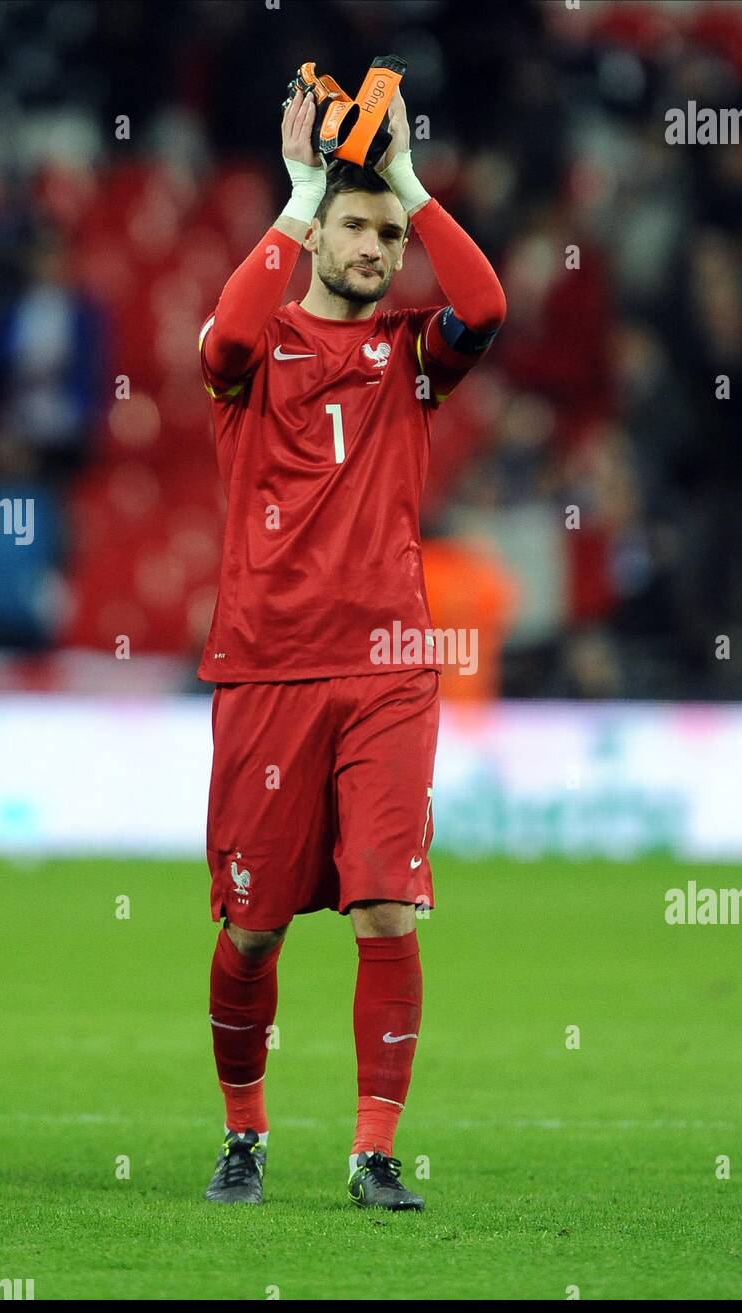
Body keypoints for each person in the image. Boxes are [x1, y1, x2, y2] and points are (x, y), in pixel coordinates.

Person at [197, 85, 506, 1209]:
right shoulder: (250, 343)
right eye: (358, 225)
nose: (377, 248)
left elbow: (489, 303)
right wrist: (297, 195)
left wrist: (415, 187)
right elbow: (228, 334)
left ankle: (374, 1150)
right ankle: (244, 1131)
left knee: (387, 904)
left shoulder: (412, 354)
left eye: (389, 234)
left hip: (387, 666)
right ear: (318, 230)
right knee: (253, 926)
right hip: (267, 667)